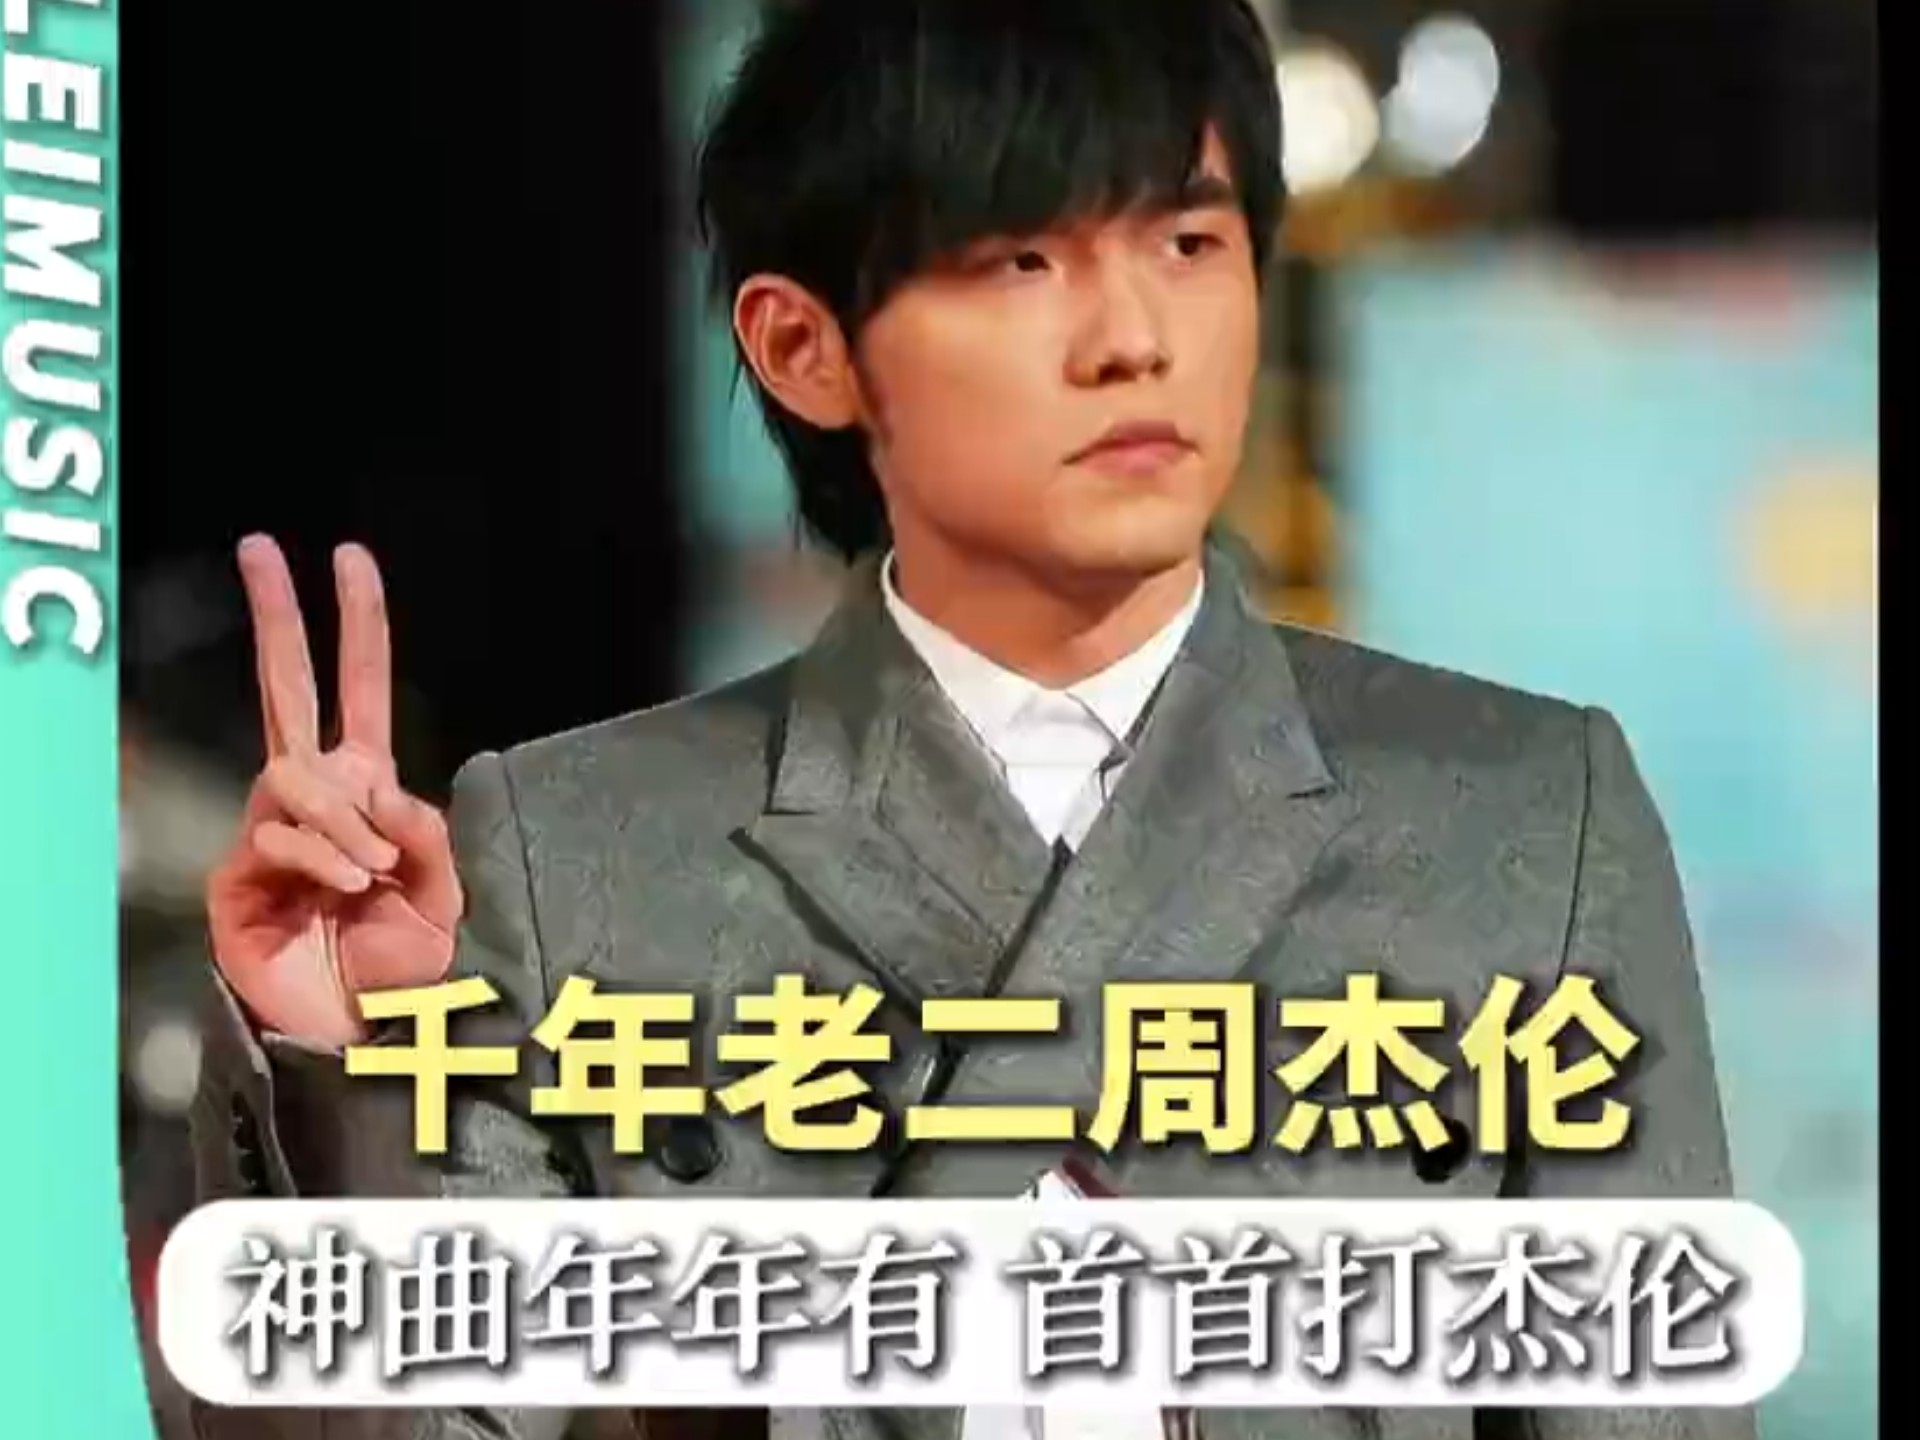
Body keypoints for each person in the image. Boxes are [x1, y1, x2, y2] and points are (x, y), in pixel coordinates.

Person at [190, 2, 1751, 1438]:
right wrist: (339, 1068)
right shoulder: (571, 851)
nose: (1133, 334)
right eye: (1024, 259)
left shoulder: (1525, 821)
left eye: (1189, 241)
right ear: (805, 349)